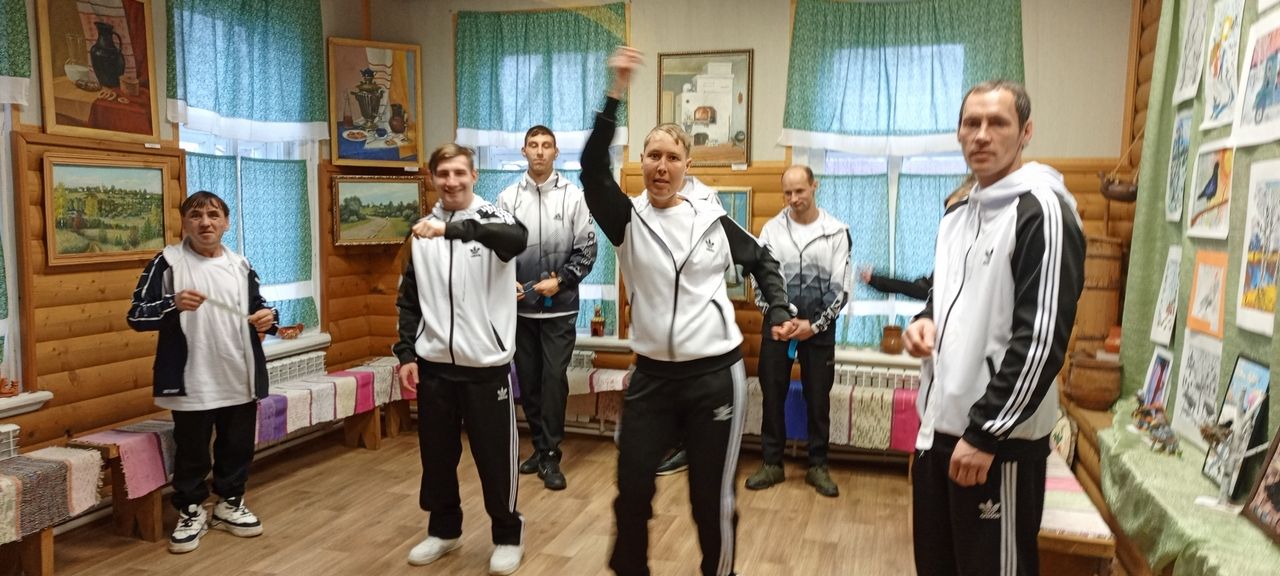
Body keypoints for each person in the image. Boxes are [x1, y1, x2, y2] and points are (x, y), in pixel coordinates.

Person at [582, 46, 797, 576]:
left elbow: (763, 260)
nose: (662, 166)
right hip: (652, 378)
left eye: (672, 158)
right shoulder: (626, 219)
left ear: (687, 166)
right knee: (632, 490)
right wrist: (615, 92)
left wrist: (777, 308)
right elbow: (591, 168)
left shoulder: (712, 220)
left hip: (713, 377)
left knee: (710, 498)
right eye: (653, 156)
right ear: (642, 163)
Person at [904, 80, 1085, 576]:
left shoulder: (1043, 211)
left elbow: (1041, 341)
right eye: (972, 123)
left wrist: (985, 433)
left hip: (996, 445)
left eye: (998, 123)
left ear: (1026, 132)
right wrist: (924, 321)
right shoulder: (957, 214)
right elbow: (943, 294)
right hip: (939, 432)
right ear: (959, 133)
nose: (982, 135)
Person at [396, 144, 529, 575]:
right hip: (435, 365)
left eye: (459, 172)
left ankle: (508, 535)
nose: (451, 181)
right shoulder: (421, 232)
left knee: (495, 459)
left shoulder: (495, 220)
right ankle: (444, 530)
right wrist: (406, 353)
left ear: (474, 175)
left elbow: (517, 240)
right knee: (437, 458)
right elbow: (409, 300)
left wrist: (454, 231)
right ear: (432, 178)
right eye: (443, 174)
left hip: (486, 367)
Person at [126, 191, 278, 554]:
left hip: (238, 373)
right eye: (196, 216)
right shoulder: (168, 262)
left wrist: (268, 318)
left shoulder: (240, 264)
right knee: (192, 451)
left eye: (213, 215)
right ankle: (191, 511)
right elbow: (136, 315)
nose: (205, 222)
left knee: (237, 446)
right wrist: (173, 303)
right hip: (191, 377)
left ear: (226, 222)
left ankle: (229, 504)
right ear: (184, 223)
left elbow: (260, 308)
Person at [496, 125, 597, 491]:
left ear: (556, 153)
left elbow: (588, 250)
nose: (539, 151)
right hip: (521, 310)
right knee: (529, 382)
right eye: (533, 145)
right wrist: (504, 282)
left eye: (546, 146)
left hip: (560, 309)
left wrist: (563, 280)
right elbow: (498, 252)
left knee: (553, 380)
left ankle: (551, 454)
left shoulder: (574, 197)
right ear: (524, 151)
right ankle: (540, 447)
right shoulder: (507, 199)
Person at [745, 165, 851, 498]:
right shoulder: (771, 230)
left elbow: (841, 287)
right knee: (772, 394)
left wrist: (814, 325)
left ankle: (818, 465)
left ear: (814, 186)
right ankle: (771, 463)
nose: (793, 199)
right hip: (778, 326)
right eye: (788, 193)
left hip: (819, 330)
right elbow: (760, 279)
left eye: (800, 191)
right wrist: (780, 317)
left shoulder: (836, 232)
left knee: (818, 398)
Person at [858, 175, 975, 301]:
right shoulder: (945, 269)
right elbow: (916, 289)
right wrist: (874, 280)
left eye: (955, 217)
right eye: (947, 217)